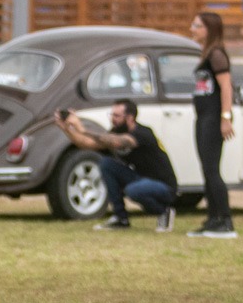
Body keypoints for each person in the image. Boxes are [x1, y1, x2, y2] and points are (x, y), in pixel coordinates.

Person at [54, 98, 178, 231]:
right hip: (140, 178)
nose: (113, 118)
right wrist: (67, 129)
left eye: (117, 115)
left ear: (130, 117)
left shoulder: (143, 133)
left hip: (163, 185)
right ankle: (121, 218)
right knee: (106, 164)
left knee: (133, 190)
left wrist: (82, 129)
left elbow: (119, 142)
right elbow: (87, 144)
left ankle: (164, 211)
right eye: (112, 114)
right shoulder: (117, 130)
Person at [187, 11, 238, 239]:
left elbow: (226, 87)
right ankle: (212, 218)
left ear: (209, 29)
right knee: (206, 169)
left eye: (197, 25)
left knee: (212, 169)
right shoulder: (206, 53)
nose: (192, 28)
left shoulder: (217, 54)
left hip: (213, 118)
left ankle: (225, 220)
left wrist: (225, 117)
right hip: (203, 117)